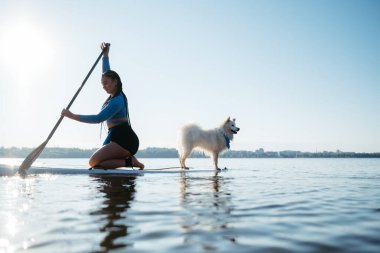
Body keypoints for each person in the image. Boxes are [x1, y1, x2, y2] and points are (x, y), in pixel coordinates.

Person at [61, 43, 144, 170]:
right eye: (102, 83)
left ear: (115, 82)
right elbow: (106, 72)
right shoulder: (113, 94)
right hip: (114, 136)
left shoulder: (117, 101)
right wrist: (105, 56)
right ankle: (128, 161)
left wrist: (71, 116)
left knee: (93, 162)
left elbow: (98, 118)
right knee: (97, 165)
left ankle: (131, 162)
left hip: (125, 139)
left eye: (106, 83)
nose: (103, 86)